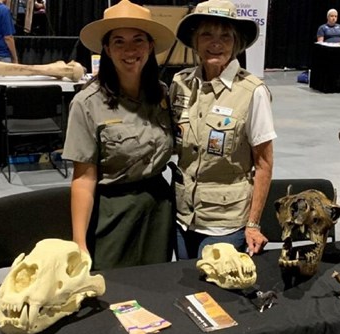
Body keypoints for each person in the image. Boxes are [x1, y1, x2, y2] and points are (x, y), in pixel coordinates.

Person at [62, 0, 176, 270]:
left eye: (138, 40)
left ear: (150, 46)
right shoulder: (87, 103)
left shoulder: (161, 94)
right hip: (113, 212)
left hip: (158, 209)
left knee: (156, 284)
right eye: (119, 42)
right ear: (107, 50)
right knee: (113, 289)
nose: (130, 50)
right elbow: (83, 177)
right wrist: (79, 242)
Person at [170, 0, 276, 259]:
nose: (215, 43)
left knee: (219, 296)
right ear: (195, 41)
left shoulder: (253, 92)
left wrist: (253, 224)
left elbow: (264, 164)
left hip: (225, 224)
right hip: (183, 219)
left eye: (225, 36)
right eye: (207, 34)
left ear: (236, 43)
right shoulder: (180, 84)